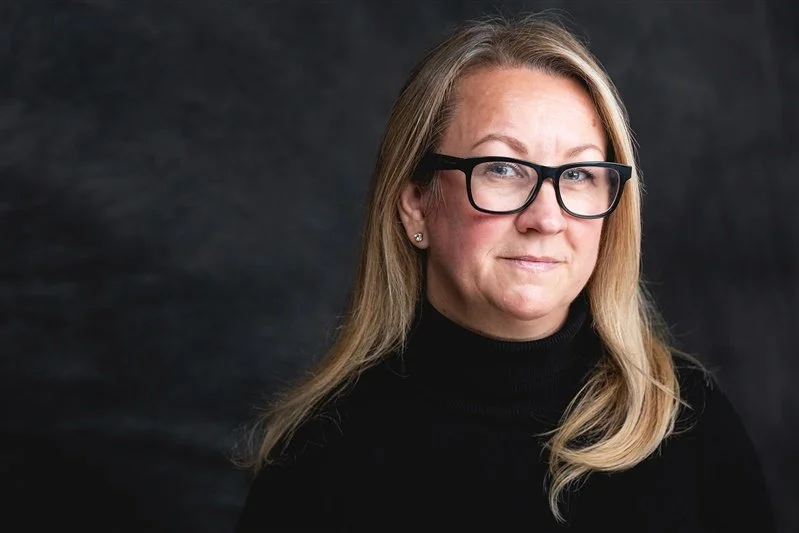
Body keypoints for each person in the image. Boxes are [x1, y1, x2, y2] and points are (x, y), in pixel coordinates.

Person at [233, 12, 775, 532]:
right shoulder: (321, 457)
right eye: (502, 168)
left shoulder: (686, 420)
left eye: (581, 173)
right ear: (417, 203)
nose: (546, 217)